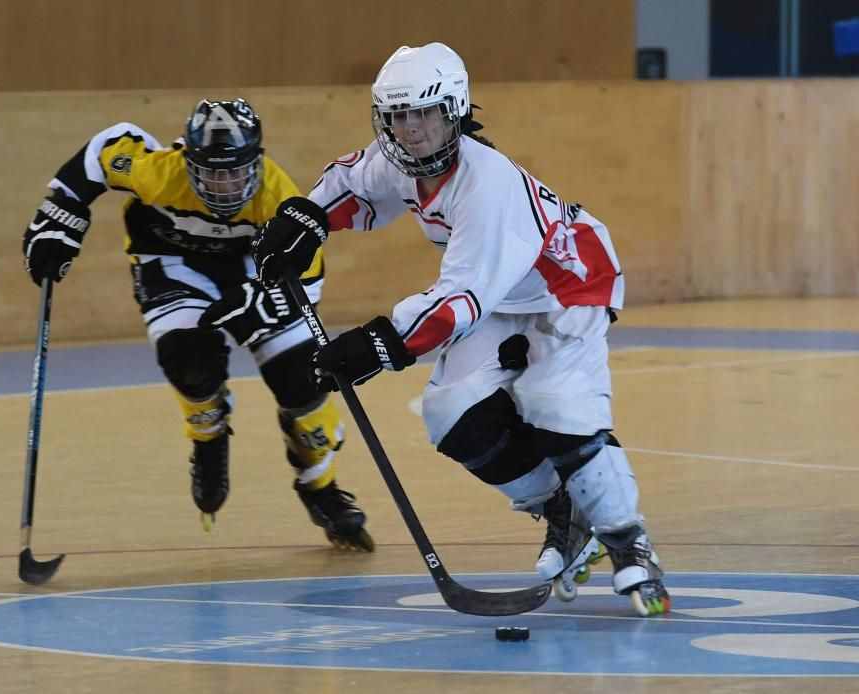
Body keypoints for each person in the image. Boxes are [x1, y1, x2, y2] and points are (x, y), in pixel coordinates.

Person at [245, 44, 669, 615]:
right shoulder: (397, 158)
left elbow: (460, 300)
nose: (411, 130)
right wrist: (304, 219)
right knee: (452, 415)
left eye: (424, 113)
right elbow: (351, 184)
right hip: (500, 291)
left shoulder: (487, 186)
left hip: (567, 285)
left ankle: (627, 540)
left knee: (556, 405)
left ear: (455, 111)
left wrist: (378, 343)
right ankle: (564, 511)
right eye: (398, 115)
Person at [20, 98, 374, 551]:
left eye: (234, 171)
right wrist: (62, 211)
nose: (224, 184)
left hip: (255, 269)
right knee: (189, 360)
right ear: (187, 160)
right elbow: (106, 149)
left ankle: (320, 487)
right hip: (174, 261)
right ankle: (208, 436)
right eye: (209, 171)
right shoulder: (159, 172)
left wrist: (262, 304)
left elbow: (306, 275)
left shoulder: (279, 196)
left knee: (302, 378)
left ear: (257, 162)